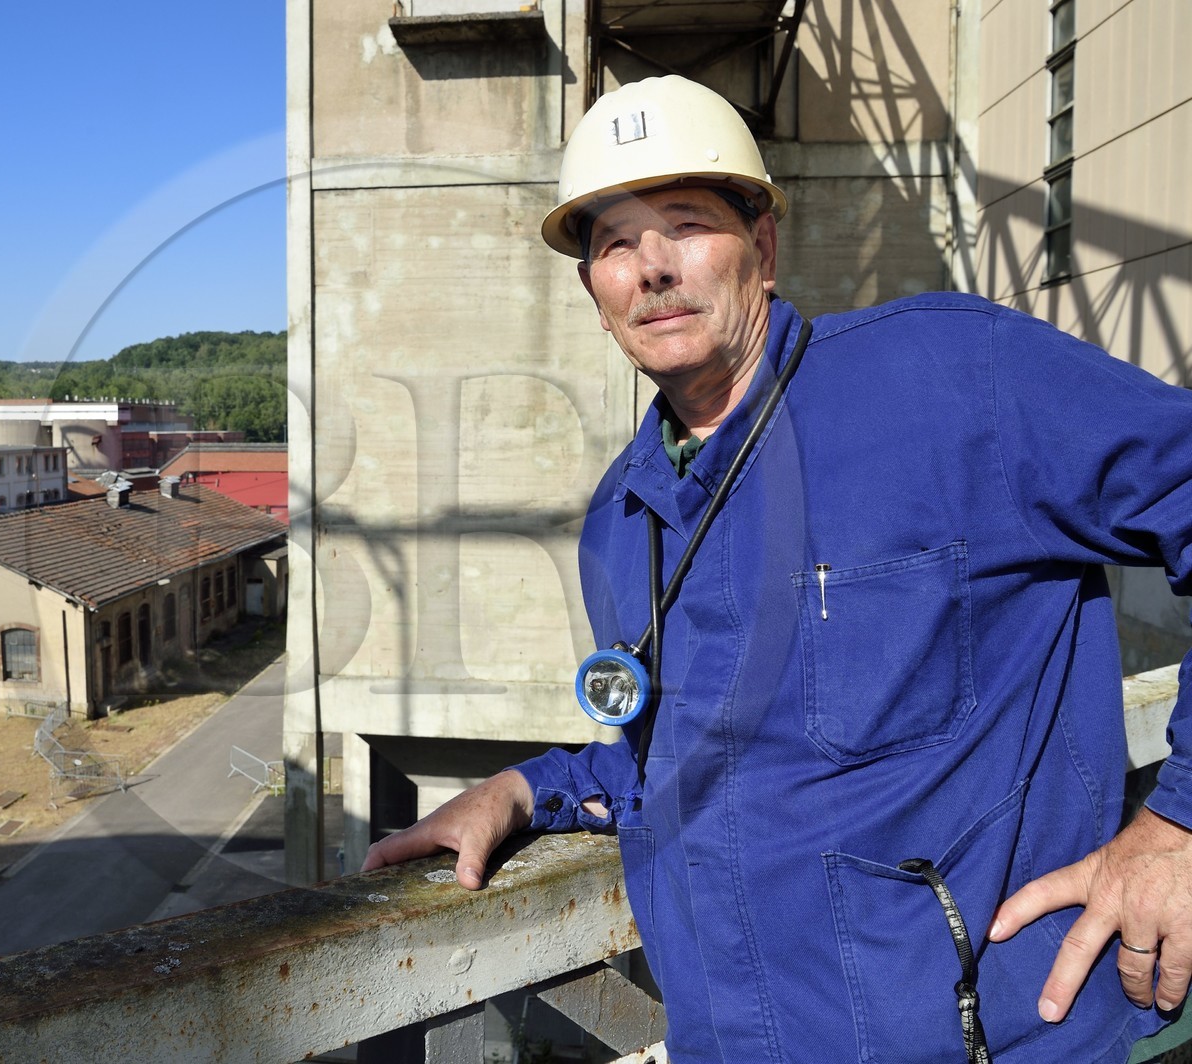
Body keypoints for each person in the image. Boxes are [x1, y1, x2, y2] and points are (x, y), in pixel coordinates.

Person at [362, 75, 1192, 1064]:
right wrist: (520, 787)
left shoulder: (951, 380)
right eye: (615, 245)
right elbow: (689, 763)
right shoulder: (621, 519)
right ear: (594, 293)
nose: (652, 267)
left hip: (1001, 1039)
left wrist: (1178, 827)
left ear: (762, 246)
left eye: (685, 223)